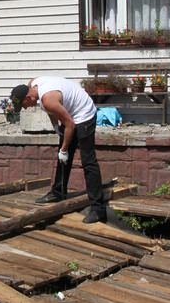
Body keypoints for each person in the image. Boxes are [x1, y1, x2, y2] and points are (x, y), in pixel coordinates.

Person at [10, 76, 107, 223]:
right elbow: (51, 110)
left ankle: (98, 209)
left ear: (29, 96)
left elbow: (70, 125)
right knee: (64, 156)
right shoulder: (33, 85)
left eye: (23, 104)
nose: (25, 108)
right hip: (70, 115)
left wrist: (64, 149)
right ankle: (58, 192)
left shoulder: (47, 99)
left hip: (84, 114)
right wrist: (56, 127)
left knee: (88, 161)